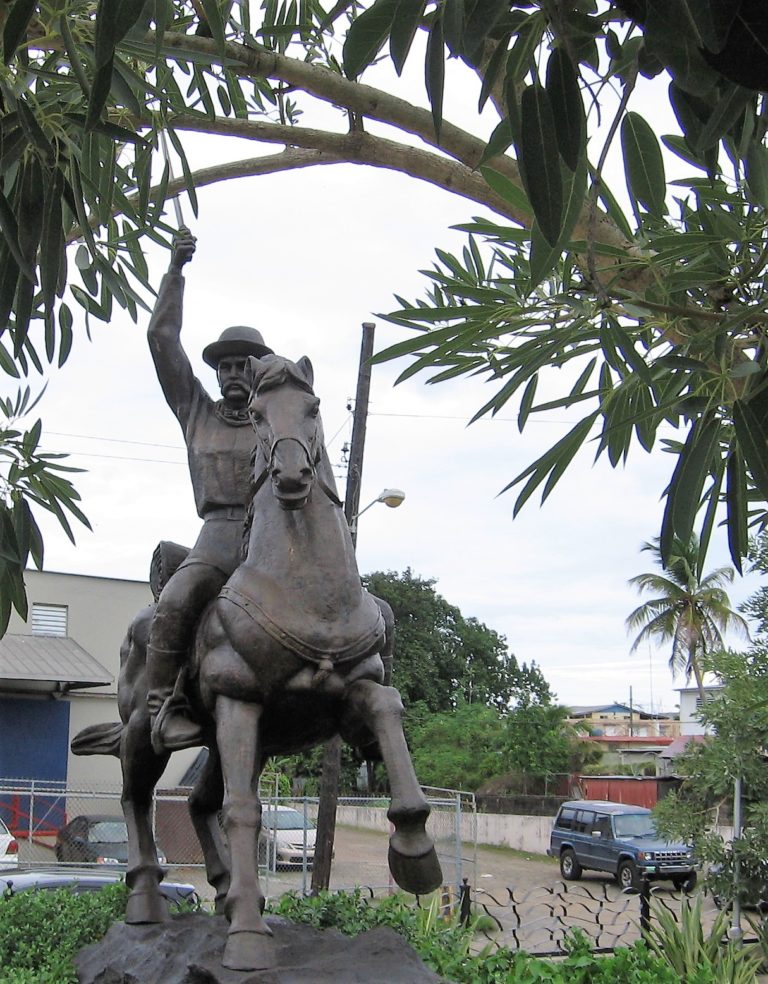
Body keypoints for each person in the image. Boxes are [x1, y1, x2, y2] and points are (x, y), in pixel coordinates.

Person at [145, 229, 273, 754]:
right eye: (226, 365)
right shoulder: (196, 410)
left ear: (261, 369)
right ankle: (163, 706)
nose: (236, 372)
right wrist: (175, 272)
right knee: (176, 601)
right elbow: (161, 341)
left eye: (246, 364)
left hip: (271, 537)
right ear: (216, 374)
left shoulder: (275, 418)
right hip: (218, 536)